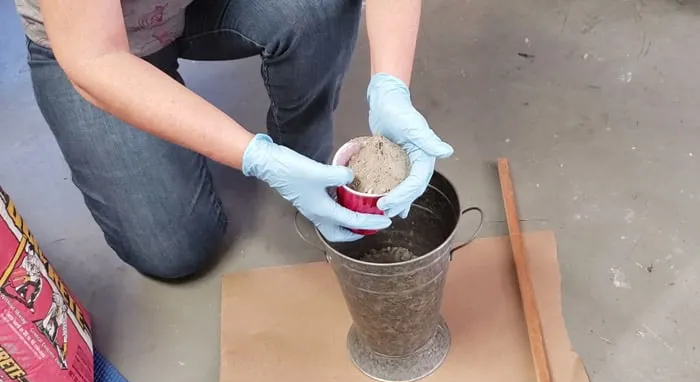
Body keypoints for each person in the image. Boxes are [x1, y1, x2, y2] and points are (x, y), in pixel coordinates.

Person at [14, 0, 453, 280]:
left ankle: (307, 160)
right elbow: (95, 57)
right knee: (175, 251)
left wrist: (391, 85)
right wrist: (254, 155)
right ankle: (278, 163)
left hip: (194, 7)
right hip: (94, 43)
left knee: (316, 8)